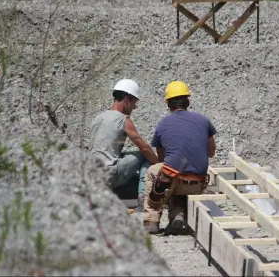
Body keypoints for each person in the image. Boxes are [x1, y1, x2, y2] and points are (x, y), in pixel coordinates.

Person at [143, 80, 217, 235]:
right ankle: (178, 216)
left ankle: (152, 220)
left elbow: (162, 159)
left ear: (169, 104)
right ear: (188, 101)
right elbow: (211, 152)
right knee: (176, 177)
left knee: (155, 172)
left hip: (173, 179)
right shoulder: (204, 121)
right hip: (198, 182)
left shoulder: (163, 124)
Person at [89, 79, 159, 210]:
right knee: (145, 155)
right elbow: (144, 148)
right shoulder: (124, 120)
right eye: (134, 103)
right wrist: (159, 163)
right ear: (126, 99)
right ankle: (143, 198)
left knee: (126, 155)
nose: (134, 107)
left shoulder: (98, 118)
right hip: (109, 175)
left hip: (93, 175)